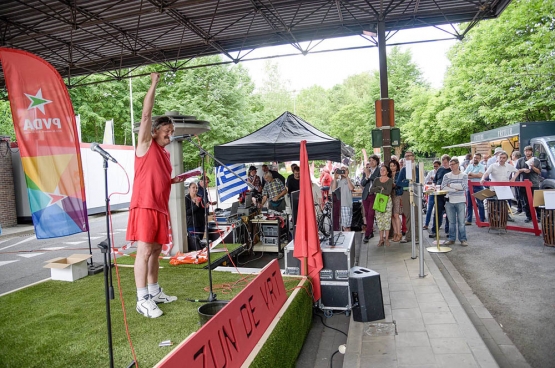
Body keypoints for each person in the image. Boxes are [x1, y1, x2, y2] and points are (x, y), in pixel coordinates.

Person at [126, 73, 183, 318]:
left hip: (160, 207)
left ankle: (153, 291)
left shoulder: (165, 154)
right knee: (145, 251)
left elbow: (157, 177)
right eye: (168, 131)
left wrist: (172, 180)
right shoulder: (146, 144)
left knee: (157, 250)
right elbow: (146, 115)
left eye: (172, 131)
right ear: (156, 131)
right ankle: (142, 300)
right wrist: (153, 84)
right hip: (145, 206)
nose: (171, 135)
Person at [441, 158, 469, 246]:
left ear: (457, 164)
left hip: (460, 200)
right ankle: (451, 238)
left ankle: (463, 239)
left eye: (453, 164)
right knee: (451, 222)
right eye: (450, 165)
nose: (451, 166)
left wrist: (451, 185)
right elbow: (443, 187)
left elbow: (464, 187)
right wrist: (456, 188)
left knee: (461, 222)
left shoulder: (464, 175)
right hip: (449, 200)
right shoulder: (446, 175)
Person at [395, 150, 420, 243]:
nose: (408, 158)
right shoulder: (403, 170)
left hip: (416, 192)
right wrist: (407, 182)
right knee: (408, 214)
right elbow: (398, 182)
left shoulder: (418, 168)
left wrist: (409, 182)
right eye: (406, 156)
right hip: (406, 193)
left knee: (416, 215)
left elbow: (419, 181)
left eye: (410, 156)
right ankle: (409, 236)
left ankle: (417, 236)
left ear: (413, 157)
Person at [515, 146, 541, 223]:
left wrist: (532, 167)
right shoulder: (520, 160)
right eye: (526, 151)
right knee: (525, 202)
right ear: (524, 152)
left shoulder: (536, 160)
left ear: (531, 152)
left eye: (529, 151)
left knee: (536, 201)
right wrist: (523, 169)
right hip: (523, 183)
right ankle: (528, 216)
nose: (527, 152)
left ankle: (539, 216)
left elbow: (539, 172)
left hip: (534, 183)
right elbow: (517, 170)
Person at [370, 165, 394, 247]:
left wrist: (378, 189)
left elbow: (388, 191)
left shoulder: (390, 180)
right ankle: (381, 239)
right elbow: (371, 190)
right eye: (381, 170)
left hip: (387, 201)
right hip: (378, 201)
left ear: (387, 172)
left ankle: (386, 239)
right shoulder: (376, 179)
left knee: (387, 220)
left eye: (384, 170)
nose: (382, 171)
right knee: (379, 220)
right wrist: (381, 188)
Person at [429, 154, 451, 239]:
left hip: (448, 194)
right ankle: (435, 230)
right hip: (439, 194)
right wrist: (434, 185)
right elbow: (435, 180)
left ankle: (448, 230)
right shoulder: (440, 169)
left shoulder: (451, 169)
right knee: (437, 213)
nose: (444, 164)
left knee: (449, 213)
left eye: (446, 162)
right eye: (443, 162)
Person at [360, 155, 380, 243]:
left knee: (371, 214)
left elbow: (377, 180)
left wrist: (369, 175)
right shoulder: (366, 171)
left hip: (374, 194)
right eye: (370, 160)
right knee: (367, 214)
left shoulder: (379, 170)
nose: (371, 162)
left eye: (373, 161)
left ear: (377, 161)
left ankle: (367, 234)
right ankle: (370, 231)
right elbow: (363, 183)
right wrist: (367, 176)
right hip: (366, 195)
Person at [331, 165, 355, 231]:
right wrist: (335, 178)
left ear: (348, 172)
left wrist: (347, 177)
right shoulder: (338, 182)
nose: (342, 172)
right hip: (341, 205)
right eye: (341, 170)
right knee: (344, 226)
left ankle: (348, 239)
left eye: (344, 170)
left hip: (348, 204)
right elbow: (333, 189)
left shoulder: (350, 180)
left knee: (347, 225)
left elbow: (351, 188)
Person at [464, 153, 486, 224]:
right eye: (474, 158)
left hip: (478, 186)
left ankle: (481, 219)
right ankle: (469, 220)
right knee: (469, 204)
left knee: (480, 204)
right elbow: (465, 175)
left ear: (480, 159)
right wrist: (474, 175)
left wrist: (471, 174)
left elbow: (480, 175)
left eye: (477, 158)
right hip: (469, 187)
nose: (475, 159)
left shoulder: (482, 166)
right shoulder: (469, 166)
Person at [423, 160, 441, 230]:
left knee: (439, 210)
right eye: (434, 166)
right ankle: (426, 224)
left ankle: (437, 225)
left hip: (438, 192)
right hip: (432, 191)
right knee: (429, 208)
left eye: (436, 166)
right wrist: (431, 181)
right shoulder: (431, 172)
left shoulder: (441, 172)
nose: (435, 168)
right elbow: (426, 181)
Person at [389, 159, 402, 242]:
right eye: (391, 166)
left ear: (397, 166)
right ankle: (395, 232)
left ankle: (399, 233)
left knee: (396, 215)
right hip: (390, 195)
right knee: (392, 215)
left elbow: (398, 184)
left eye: (394, 165)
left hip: (397, 195)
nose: (392, 167)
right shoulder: (389, 174)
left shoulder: (399, 174)